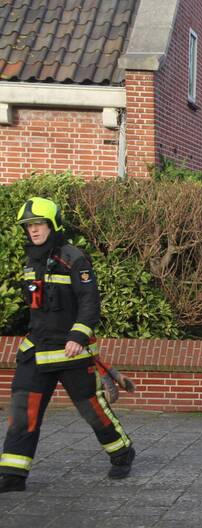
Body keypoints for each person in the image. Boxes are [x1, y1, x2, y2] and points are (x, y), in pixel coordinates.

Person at [0, 197, 134, 493]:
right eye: (28, 226)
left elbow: (89, 301)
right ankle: (13, 474)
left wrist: (78, 336)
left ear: (52, 224)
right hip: (36, 351)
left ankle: (122, 452)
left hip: (71, 350)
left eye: (38, 224)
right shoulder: (30, 261)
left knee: (92, 409)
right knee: (23, 411)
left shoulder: (74, 258)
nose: (33, 231)